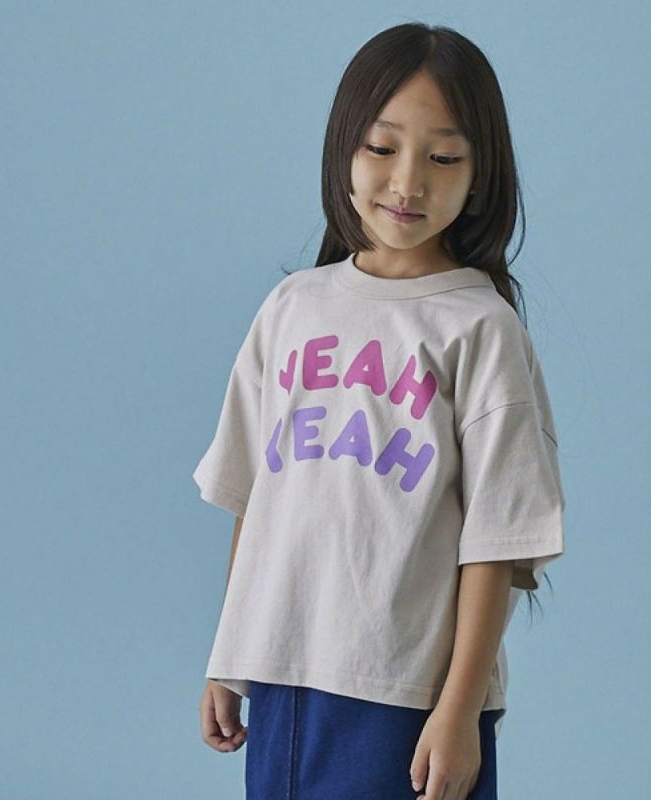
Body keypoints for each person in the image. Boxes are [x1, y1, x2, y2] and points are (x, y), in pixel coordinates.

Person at [193, 21, 566, 800]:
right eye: (381, 147)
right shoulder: (292, 307)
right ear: (344, 151)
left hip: (405, 691)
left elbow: (497, 542)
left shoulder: (479, 328)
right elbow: (255, 499)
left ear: (481, 174)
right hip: (284, 674)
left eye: (443, 158)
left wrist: (458, 711)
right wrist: (229, 656)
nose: (407, 182)